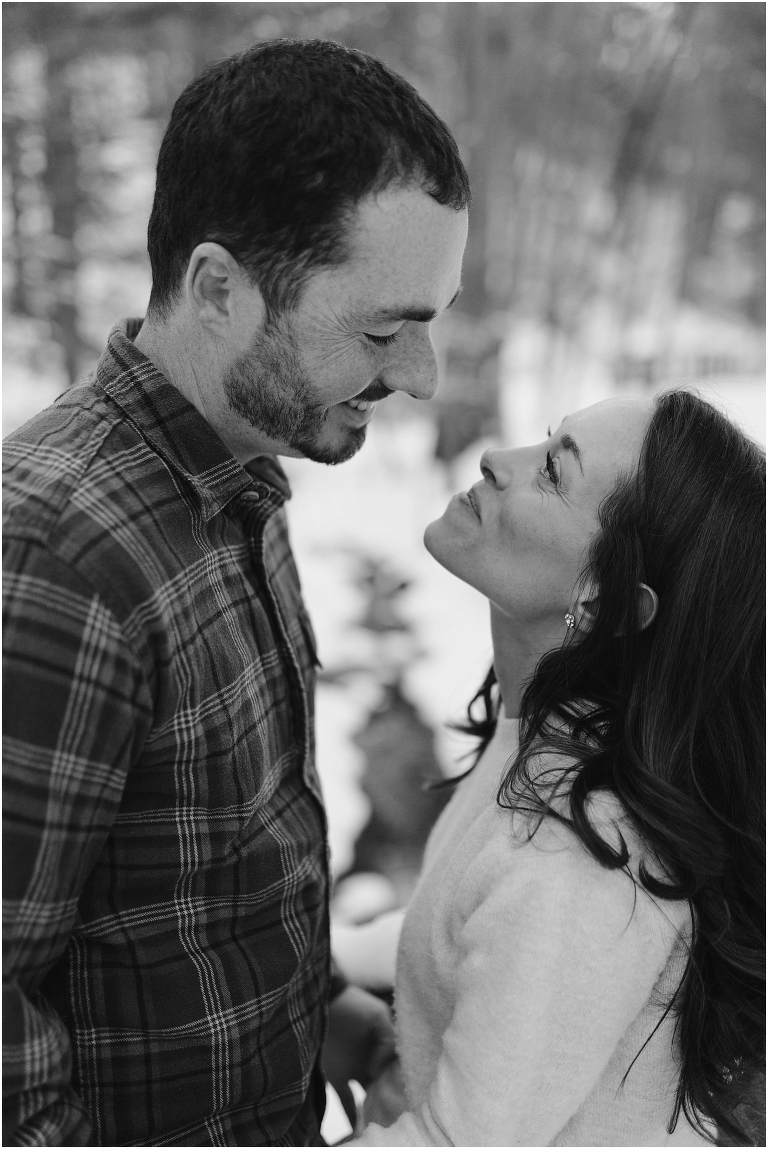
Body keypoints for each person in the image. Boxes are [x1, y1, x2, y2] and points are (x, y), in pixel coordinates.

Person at [3, 39, 468, 1146]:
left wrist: (317, 1016)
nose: (419, 378)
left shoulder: (239, 471)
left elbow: (199, 882)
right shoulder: (58, 559)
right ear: (219, 288)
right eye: (381, 328)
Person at [351, 391, 765, 1147]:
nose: (494, 461)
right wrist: (332, 978)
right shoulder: (545, 741)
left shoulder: (580, 854)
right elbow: (469, 929)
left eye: (551, 472)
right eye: (545, 441)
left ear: (604, 595)